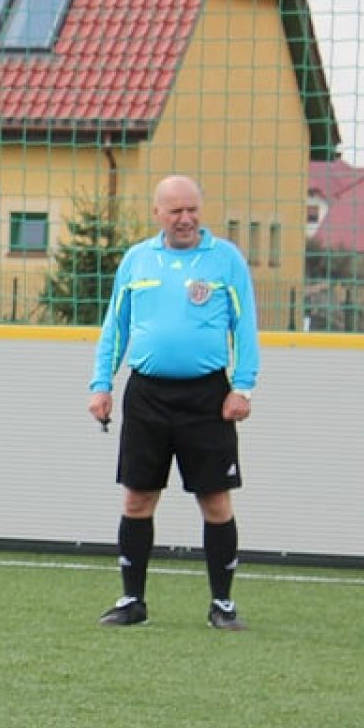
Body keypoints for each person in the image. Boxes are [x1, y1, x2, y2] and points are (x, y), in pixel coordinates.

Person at [88, 174, 259, 631]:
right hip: (147, 394)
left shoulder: (225, 260)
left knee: (215, 501)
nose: (186, 219)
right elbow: (115, 328)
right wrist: (100, 385)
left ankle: (222, 605)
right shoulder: (137, 260)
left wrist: (242, 388)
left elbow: (245, 329)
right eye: (175, 211)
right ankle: (132, 601)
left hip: (208, 396)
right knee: (137, 499)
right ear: (157, 214)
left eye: (192, 210)